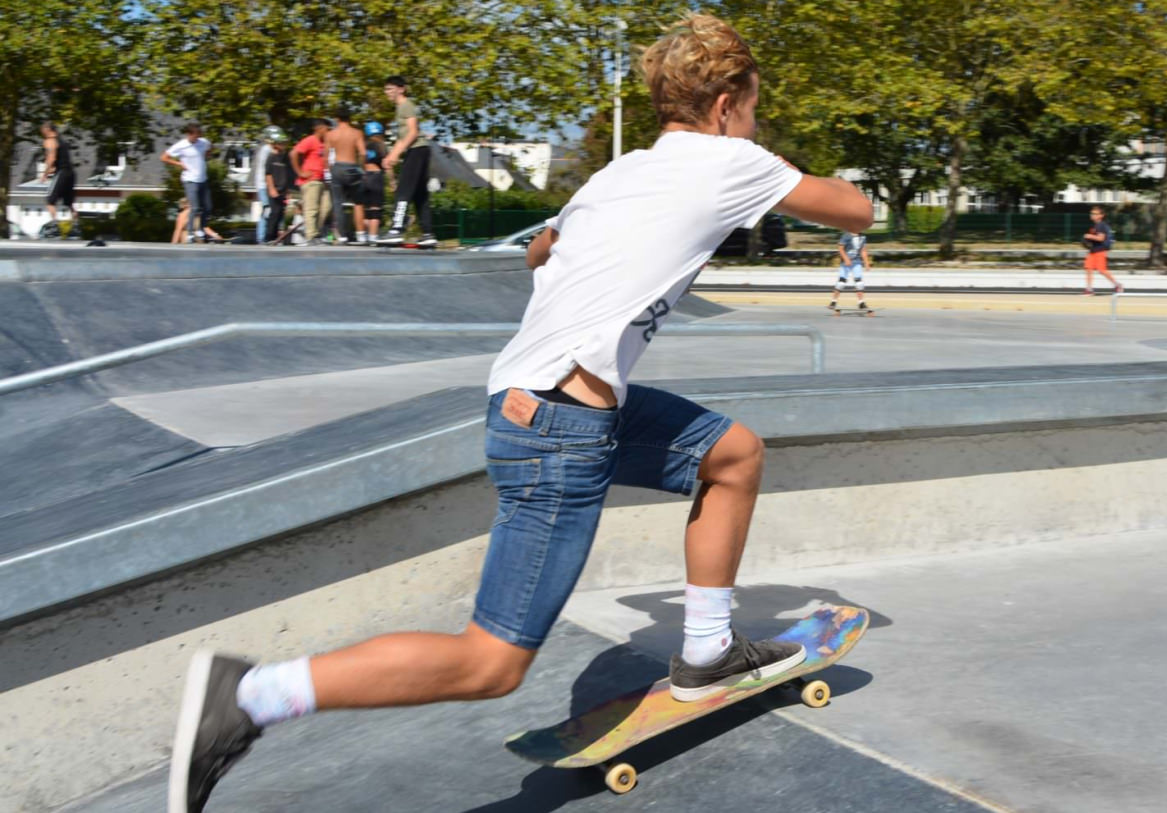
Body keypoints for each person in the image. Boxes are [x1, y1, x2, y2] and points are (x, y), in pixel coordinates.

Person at [168, 14, 873, 812]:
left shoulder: (621, 172)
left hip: (548, 403)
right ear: (724, 105)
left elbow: (541, 249)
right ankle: (254, 693)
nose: (755, 120)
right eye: (753, 105)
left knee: (733, 453)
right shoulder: (733, 160)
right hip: (558, 431)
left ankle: (708, 649)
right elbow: (855, 211)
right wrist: (765, 161)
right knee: (490, 662)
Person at [375, 77, 436, 246]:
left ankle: (396, 229)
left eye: (390, 89)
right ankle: (428, 233)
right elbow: (401, 139)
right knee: (419, 194)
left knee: (403, 190)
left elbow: (413, 132)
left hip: (417, 150)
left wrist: (396, 155)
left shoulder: (406, 105)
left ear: (401, 89)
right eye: (386, 89)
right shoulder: (400, 108)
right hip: (419, 150)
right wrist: (391, 156)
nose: (387, 93)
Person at [161, 123, 213, 243]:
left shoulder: (203, 142)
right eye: (195, 136)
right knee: (195, 207)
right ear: (189, 134)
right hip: (189, 179)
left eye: (198, 136)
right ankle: (190, 233)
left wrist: (207, 155)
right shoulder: (181, 145)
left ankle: (201, 229)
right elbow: (164, 157)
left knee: (208, 207)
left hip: (203, 179)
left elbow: (210, 147)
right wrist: (179, 164)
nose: (196, 139)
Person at [324, 109, 367, 243]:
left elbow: (326, 155)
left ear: (337, 119)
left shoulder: (330, 134)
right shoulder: (357, 133)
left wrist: (329, 170)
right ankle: (360, 234)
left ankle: (342, 235)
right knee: (358, 202)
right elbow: (363, 153)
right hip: (352, 167)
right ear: (350, 118)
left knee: (337, 202)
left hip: (337, 167)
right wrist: (361, 168)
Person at [290, 119, 331, 245]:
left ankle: (316, 233)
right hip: (310, 180)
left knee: (326, 207)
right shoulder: (310, 140)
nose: (329, 132)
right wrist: (300, 172)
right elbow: (293, 153)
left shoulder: (326, 143)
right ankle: (311, 236)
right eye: (327, 129)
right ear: (319, 128)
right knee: (311, 208)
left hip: (323, 180)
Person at [38, 122, 77, 238]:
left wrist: (45, 173)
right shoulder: (63, 141)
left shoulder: (50, 141)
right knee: (69, 203)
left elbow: (51, 158)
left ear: (47, 130)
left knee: (50, 200)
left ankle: (55, 227)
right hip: (71, 173)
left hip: (62, 172)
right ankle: (76, 227)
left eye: (42, 131)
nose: (42, 134)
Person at [252, 126, 285, 244]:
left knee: (274, 210)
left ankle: (272, 235)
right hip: (263, 184)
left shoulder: (269, 150)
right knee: (268, 210)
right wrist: (270, 187)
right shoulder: (266, 150)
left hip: (266, 184)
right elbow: (268, 170)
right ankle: (262, 237)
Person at [263, 129, 296, 245]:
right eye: (282, 143)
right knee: (275, 212)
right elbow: (268, 174)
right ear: (275, 144)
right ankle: (268, 236)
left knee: (281, 213)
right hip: (274, 189)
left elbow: (288, 174)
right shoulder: (271, 157)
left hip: (283, 189)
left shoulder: (286, 158)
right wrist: (271, 188)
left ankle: (276, 236)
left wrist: (288, 190)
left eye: (285, 143)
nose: (284, 146)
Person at [357, 122, 388, 242]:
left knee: (365, 210)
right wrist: (392, 181)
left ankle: (363, 236)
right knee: (376, 208)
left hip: (363, 176)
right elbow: (387, 164)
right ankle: (373, 236)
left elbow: (359, 160)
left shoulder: (363, 145)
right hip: (376, 176)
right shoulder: (381, 145)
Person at [1081, 205, 1122, 295]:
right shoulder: (1094, 226)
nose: (1092, 215)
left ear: (1101, 215)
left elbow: (1101, 238)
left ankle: (1117, 285)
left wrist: (1089, 236)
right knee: (1088, 268)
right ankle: (1089, 289)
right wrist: (1088, 241)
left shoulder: (1101, 225)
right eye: (1092, 213)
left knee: (1102, 270)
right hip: (1093, 250)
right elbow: (1094, 238)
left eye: (1095, 214)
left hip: (1100, 251)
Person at [830, 230, 871, 311]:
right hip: (846, 263)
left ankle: (861, 302)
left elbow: (863, 250)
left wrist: (866, 262)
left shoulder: (862, 237)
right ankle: (833, 301)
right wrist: (846, 259)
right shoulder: (846, 235)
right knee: (841, 282)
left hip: (856, 261)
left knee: (859, 283)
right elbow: (840, 249)